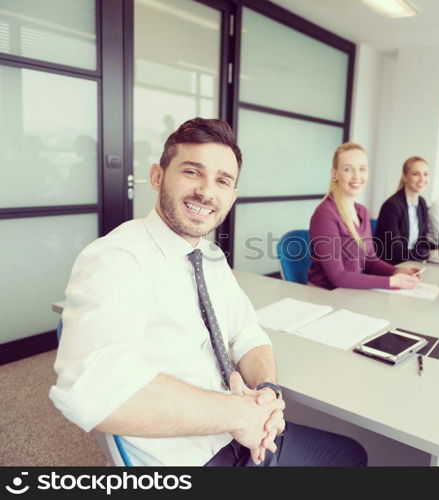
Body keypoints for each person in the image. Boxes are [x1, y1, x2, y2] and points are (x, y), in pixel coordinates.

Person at [50, 118, 367, 467]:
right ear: (158, 176)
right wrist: (238, 416)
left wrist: (267, 393)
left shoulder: (211, 257)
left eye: (222, 181)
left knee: (349, 454)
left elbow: (248, 335)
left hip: (241, 432)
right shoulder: (116, 259)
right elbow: (94, 392)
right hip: (189, 458)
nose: (206, 191)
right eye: (192, 172)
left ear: (232, 196)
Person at [308, 143, 421, 290]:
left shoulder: (361, 211)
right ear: (335, 173)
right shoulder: (325, 214)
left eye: (362, 169)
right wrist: (392, 282)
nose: (357, 176)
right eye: (348, 169)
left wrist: (395, 271)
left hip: (351, 294)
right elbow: (338, 277)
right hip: (327, 295)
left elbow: (369, 261)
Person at [375, 156, 437, 265]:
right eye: (416, 174)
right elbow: (396, 251)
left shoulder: (421, 203)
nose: (422, 179)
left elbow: (421, 241)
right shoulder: (391, 206)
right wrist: (429, 254)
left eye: (425, 174)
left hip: (411, 262)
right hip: (391, 265)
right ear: (404, 177)